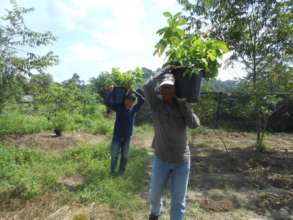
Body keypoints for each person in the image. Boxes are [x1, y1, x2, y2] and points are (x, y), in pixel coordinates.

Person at [144, 69, 200, 220]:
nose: (167, 90)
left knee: (178, 200)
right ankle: (155, 212)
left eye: (170, 87)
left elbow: (194, 124)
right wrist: (164, 70)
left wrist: (185, 106)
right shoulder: (156, 105)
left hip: (181, 161)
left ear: (175, 89)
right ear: (160, 90)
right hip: (161, 159)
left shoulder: (182, 105)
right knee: (154, 195)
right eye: (164, 87)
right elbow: (147, 85)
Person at [105, 88, 144, 175]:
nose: (129, 102)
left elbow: (142, 100)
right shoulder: (119, 108)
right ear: (124, 100)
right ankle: (112, 172)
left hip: (127, 137)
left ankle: (121, 172)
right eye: (127, 100)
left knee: (125, 156)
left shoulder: (134, 109)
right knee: (114, 155)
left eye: (131, 101)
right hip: (117, 137)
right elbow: (107, 102)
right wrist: (111, 91)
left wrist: (134, 91)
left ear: (133, 102)